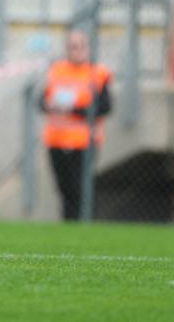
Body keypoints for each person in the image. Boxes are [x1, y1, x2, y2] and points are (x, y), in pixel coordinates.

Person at [40, 30, 112, 221]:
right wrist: (49, 105)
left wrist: (73, 110)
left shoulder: (97, 73)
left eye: (80, 46)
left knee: (79, 187)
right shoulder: (56, 69)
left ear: (88, 48)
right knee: (63, 188)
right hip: (56, 140)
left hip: (84, 142)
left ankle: (86, 223)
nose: (76, 50)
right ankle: (69, 226)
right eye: (72, 46)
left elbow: (105, 106)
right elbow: (41, 100)